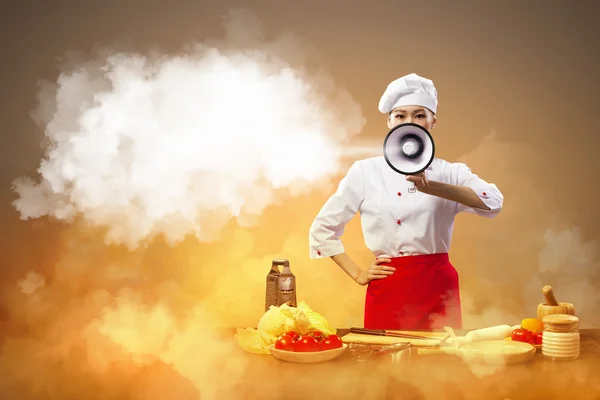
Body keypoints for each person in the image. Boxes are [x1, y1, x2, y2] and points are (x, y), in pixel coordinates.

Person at [308, 73, 503, 331]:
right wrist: (358, 274)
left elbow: (493, 201)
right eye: (400, 116)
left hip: (437, 287)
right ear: (389, 121)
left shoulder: (450, 171)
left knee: (441, 367)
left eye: (419, 115)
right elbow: (322, 230)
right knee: (386, 366)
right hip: (389, 287)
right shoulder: (365, 171)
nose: (409, 122)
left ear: (433, 121)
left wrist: (430, 186)